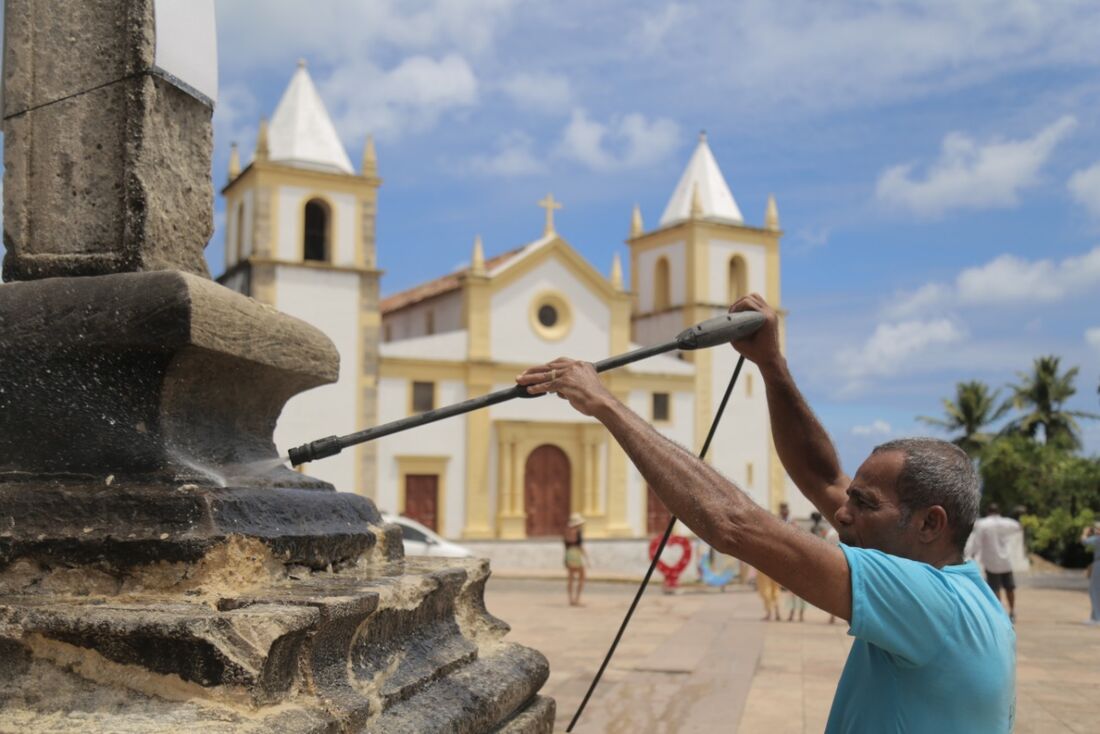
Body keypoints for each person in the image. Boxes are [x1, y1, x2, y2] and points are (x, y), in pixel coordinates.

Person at [517, 293, 1015, 732]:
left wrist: (606, 404)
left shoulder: (931, 603)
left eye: (864, 503)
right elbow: (822, 477)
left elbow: (734, 525)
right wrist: (772, 364)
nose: (841, 513)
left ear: (931, 523)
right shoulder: (946, 580)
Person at [965, 503, 1024, 622]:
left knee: (995, 588)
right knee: (1009, 588)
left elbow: (977, 541)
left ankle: (999, 613)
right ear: (999, 512)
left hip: (991, 561)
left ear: (988, 512)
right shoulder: (1007, 523)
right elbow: (1018, 527)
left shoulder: (983, 524)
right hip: (1006, 561)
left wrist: (972, 554)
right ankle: (1012, 611)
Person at [779, 502, 807, 622]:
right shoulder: (779, 522)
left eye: (784, 510)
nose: (783, 512)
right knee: (791, 592)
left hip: (797, 559)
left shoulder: (792, 523)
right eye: (782, 510)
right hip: (787, 560)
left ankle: (800, 614)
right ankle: (791, 613)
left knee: (802, 592)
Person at [564, 512, 589, 606]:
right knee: (582, 576)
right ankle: (577, 599)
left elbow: (566, 546)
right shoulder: (578, 532)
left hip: (569, 554)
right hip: (576, 554)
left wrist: (566, 559)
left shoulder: (566, 532)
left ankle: (571, 599)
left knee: (570, 578)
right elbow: (580, 546)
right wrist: (586, 557)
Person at [1082, 523, 1100, 626]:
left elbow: (1084, 541)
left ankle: (1097, 618)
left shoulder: (1097, 539)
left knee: (1094, 590)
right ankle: (1094, 617)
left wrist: (1085, 532)